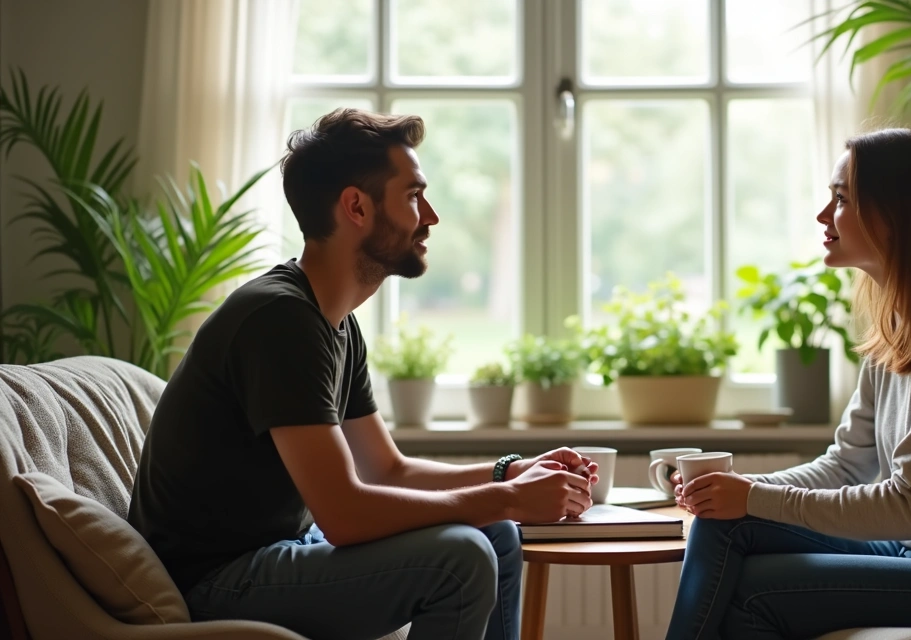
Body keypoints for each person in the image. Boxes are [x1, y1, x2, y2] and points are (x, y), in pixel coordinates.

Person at [127, 108, 599, 640]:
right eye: (414, 196)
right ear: (356, 206)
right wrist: (511, 498)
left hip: (278, 550)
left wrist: (508, 475)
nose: (432, 217)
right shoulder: (279, 320)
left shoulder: (335, 324)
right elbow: (345, 515)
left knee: (495, 533)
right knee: (460, 557)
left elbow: (386, 471)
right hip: (212, 580)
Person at [665, 128, 911, 639]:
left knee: (756, 591)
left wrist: (753, 497)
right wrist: (737, 493)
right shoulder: (899, 326)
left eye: (842, 198)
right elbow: (847, 464)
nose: (823, 215)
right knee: (723, 523)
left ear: (896, 215)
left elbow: (910, 504)